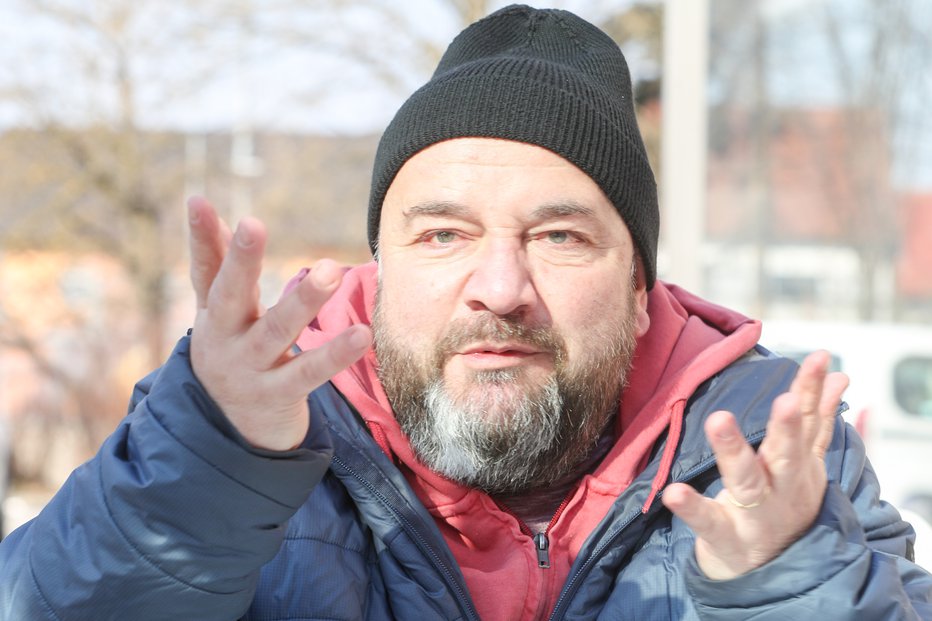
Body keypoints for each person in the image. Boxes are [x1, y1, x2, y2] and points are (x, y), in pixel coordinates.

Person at [1, 5, 930, 620]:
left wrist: (785, 583)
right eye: (443, 234)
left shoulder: (775, 463)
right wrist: (210, 462)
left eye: (560, 237)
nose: (499, 285)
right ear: (379, 272)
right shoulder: (247, 438)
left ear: (644, 292)